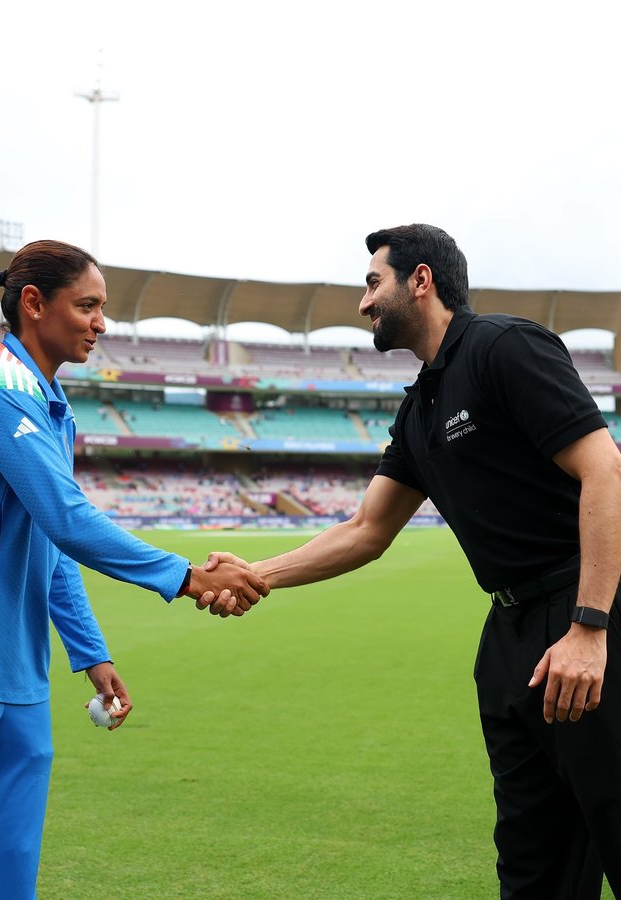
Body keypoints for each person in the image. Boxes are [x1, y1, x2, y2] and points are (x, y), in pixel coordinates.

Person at [203, 224, 621, 898]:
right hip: (512, 637)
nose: (364, 304)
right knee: (534, 865)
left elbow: (607, 472)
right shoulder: (420, 404)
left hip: (588, 617)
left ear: (420, 280)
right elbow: (368, 528)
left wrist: (591, 626)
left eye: (374, 283)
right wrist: (258, 574)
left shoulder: (503, 348)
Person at [0, 239, 268, 900]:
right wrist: (190, 577)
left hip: (17, 678)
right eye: (89, 305)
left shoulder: (48, 405)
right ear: (35, 305)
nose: (102, 323)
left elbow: (49, 541)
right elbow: (68, 519)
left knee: (12, 884)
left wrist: (91, 652)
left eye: (103, 308)